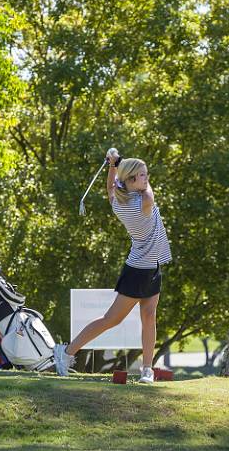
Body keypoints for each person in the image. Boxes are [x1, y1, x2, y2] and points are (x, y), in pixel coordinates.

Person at [53, 149, 172, 383]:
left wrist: (113, 165)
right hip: (138, 270)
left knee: (149, 316)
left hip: (153, 266)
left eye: (146, 174)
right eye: (141, 175)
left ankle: (147, 369)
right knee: (111, 319)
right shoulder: (142, 202)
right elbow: (148, 195)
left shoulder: (119, 199)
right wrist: (118, 165)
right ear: (129, 180)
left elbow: (110, 188)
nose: (147, 178)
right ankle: (66, 353)